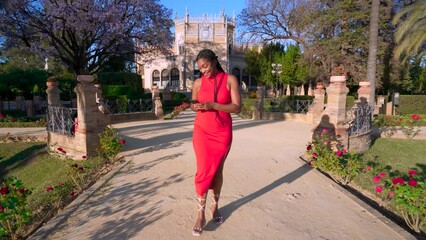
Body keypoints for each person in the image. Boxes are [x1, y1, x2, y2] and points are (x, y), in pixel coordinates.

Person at [190, 49, 241, 236]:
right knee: (203, 170)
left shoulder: (230, 79)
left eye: (205, 66)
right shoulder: (197, 83)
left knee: (218, 170)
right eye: (200, 68)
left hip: (222, 132)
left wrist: (214, 105)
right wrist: (194, 105)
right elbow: (193, 101)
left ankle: (215, 207)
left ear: (214, 61)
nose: (203, 71)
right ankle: (200, 213)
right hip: (202, 131)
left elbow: (236, 107)